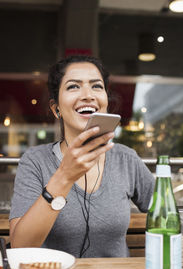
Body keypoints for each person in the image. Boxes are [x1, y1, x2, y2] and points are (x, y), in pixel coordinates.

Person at [9, 55, 154, 258]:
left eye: (96, 86)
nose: (88, 95)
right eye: (73, 87)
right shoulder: (35, 161)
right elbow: (20, 248)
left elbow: (166, 212)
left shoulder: (126, 159)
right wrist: (64, 177)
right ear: (56, 108)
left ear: (105, 100)